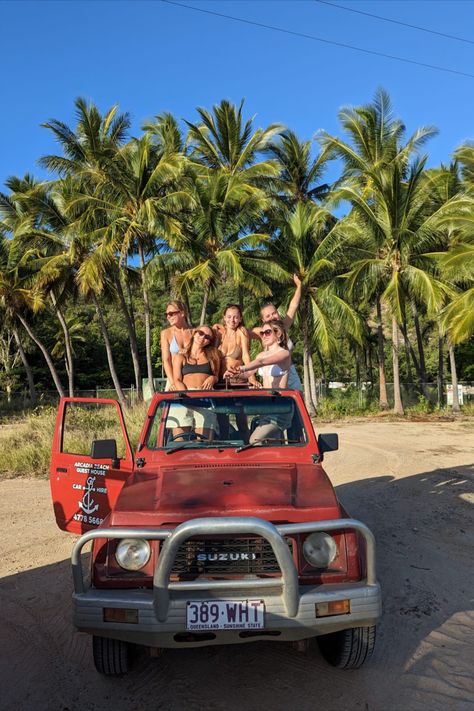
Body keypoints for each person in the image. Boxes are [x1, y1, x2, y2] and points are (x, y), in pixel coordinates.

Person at [224, 320, 294, 443]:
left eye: (268, 332)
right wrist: (234, 374)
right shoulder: (261, 354)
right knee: (273, 444)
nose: (264, 336)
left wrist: (242, 367)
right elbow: (248, 374)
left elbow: (262, 363)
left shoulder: (284, 353)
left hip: (280, 407)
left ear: (278, 333)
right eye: (262, 333)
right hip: (265, 407)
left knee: (254, 440)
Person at [250, 274, 303, 391]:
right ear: (263, 320)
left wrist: (299, 286)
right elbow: (243, 332)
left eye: (274, 313)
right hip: (270, 376)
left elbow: (293, 306)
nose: (272, 317)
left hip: (288, 375)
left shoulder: (284, 326)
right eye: (268, 316)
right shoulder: (262, 332)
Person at [171, 326, 221, 439]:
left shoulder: (213, 356)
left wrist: (213, 378)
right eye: (201, 333)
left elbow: (217, 376)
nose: (203, 337)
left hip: (205, 397)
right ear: (194, 333)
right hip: (184, 397)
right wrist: (186, 395)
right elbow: (177, 379)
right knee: (179, 440)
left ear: (210, 341)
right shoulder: (180, 356)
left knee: (204, 442)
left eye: (207, 337)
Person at [213, 304, 258, 388]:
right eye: (229, 317)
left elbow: (245, 355)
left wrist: (252, 378)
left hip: (237, 381)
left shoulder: (241, 332)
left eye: (236, 317)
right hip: (219, 382)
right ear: (224, 318)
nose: (232, 320)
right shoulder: (218, 333)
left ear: (240, 319)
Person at [160, 300, 193, 391]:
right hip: (173, 378)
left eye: (171, 313)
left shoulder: (194, 332)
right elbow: (166, 360)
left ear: (182, 313)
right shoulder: (166, 333)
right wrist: (172, 382)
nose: (168, 317)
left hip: (190, 376)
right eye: (166, 314)